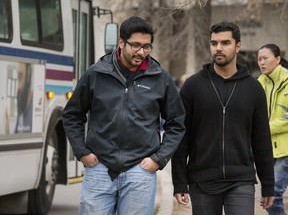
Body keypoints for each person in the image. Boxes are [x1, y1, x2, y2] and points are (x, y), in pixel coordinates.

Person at [63, 16, 185, 215]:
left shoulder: (160, 78)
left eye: (147, 47)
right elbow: (72, 115)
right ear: (121, 42)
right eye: (135, 45)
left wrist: (159, 159)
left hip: (140, 171)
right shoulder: (96, 74)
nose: (141, 52)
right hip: (99, 169)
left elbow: (177, 122)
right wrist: (82, 152)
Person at [171, 21, 275, 215]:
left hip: (241, 180)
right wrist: (179, 182)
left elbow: (261, 139)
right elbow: (181, 138)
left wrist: (268, 184)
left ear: (237, 46)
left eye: (225, 43)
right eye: (214, 43)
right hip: (202, 181)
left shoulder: (253, 88)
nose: (218, 48)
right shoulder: (192, 86)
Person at [257, 43, 288, 215]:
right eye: (259, 59)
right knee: (269, 194)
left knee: (273, 194)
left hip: (286, 149)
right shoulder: (259, 83)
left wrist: (264, 129)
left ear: (277, 59)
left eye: (265, 58)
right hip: (268, 149)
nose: (261, 62)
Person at [15, 62, 33, 133]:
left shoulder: (32, 108)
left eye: (20, 78)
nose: (17, 87)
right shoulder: (22, 103)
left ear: (28, 77)